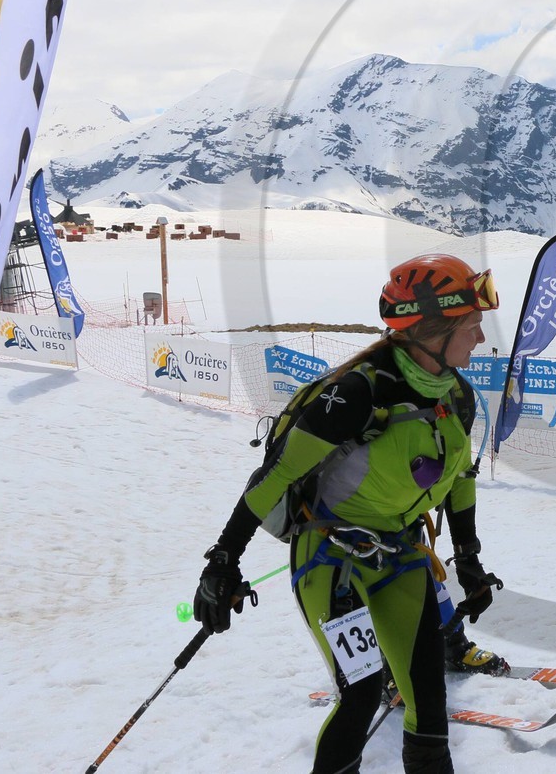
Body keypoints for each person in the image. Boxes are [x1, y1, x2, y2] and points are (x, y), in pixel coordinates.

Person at [193, 254, 505, 774]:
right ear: (433, 330)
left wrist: (467, 557)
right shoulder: (358, 393)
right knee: (360, 694)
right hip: (331, 561)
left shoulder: (458, 394)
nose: (479, 339)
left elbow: (459, 481)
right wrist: (222, 562)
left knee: (429, 710)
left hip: (401, 556)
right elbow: (273, 478)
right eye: (471, 327)